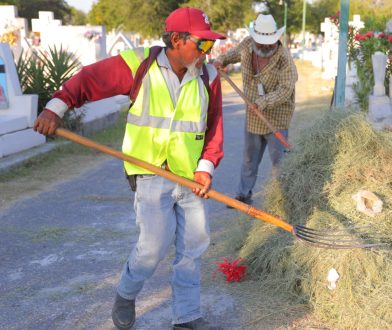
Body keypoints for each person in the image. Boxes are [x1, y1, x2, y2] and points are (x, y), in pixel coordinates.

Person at [33, 7, 225, 330]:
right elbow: (92, 80)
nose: (208, 51)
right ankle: (126, 292)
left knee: (194, 245)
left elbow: (215, 125)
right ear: (177, 40)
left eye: (210, 45)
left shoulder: (209, 77)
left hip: (191, 176)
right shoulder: (140, 65)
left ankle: (187, 316)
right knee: (152, 247)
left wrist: (206, 167)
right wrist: (57, 106)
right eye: (202, 44)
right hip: (150, 171)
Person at [213, 13, 298, 205]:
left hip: (276, 118)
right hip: (253, 117)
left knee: (280, 164)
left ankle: (284, 199)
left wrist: (263, 102)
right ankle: (243, 195)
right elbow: (231, 55)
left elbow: (286, 90)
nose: (265, 46)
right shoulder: (247, 45)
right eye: (261, 43)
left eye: (269, 43)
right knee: (249, 159)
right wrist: (221, 61)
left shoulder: (284, 59)